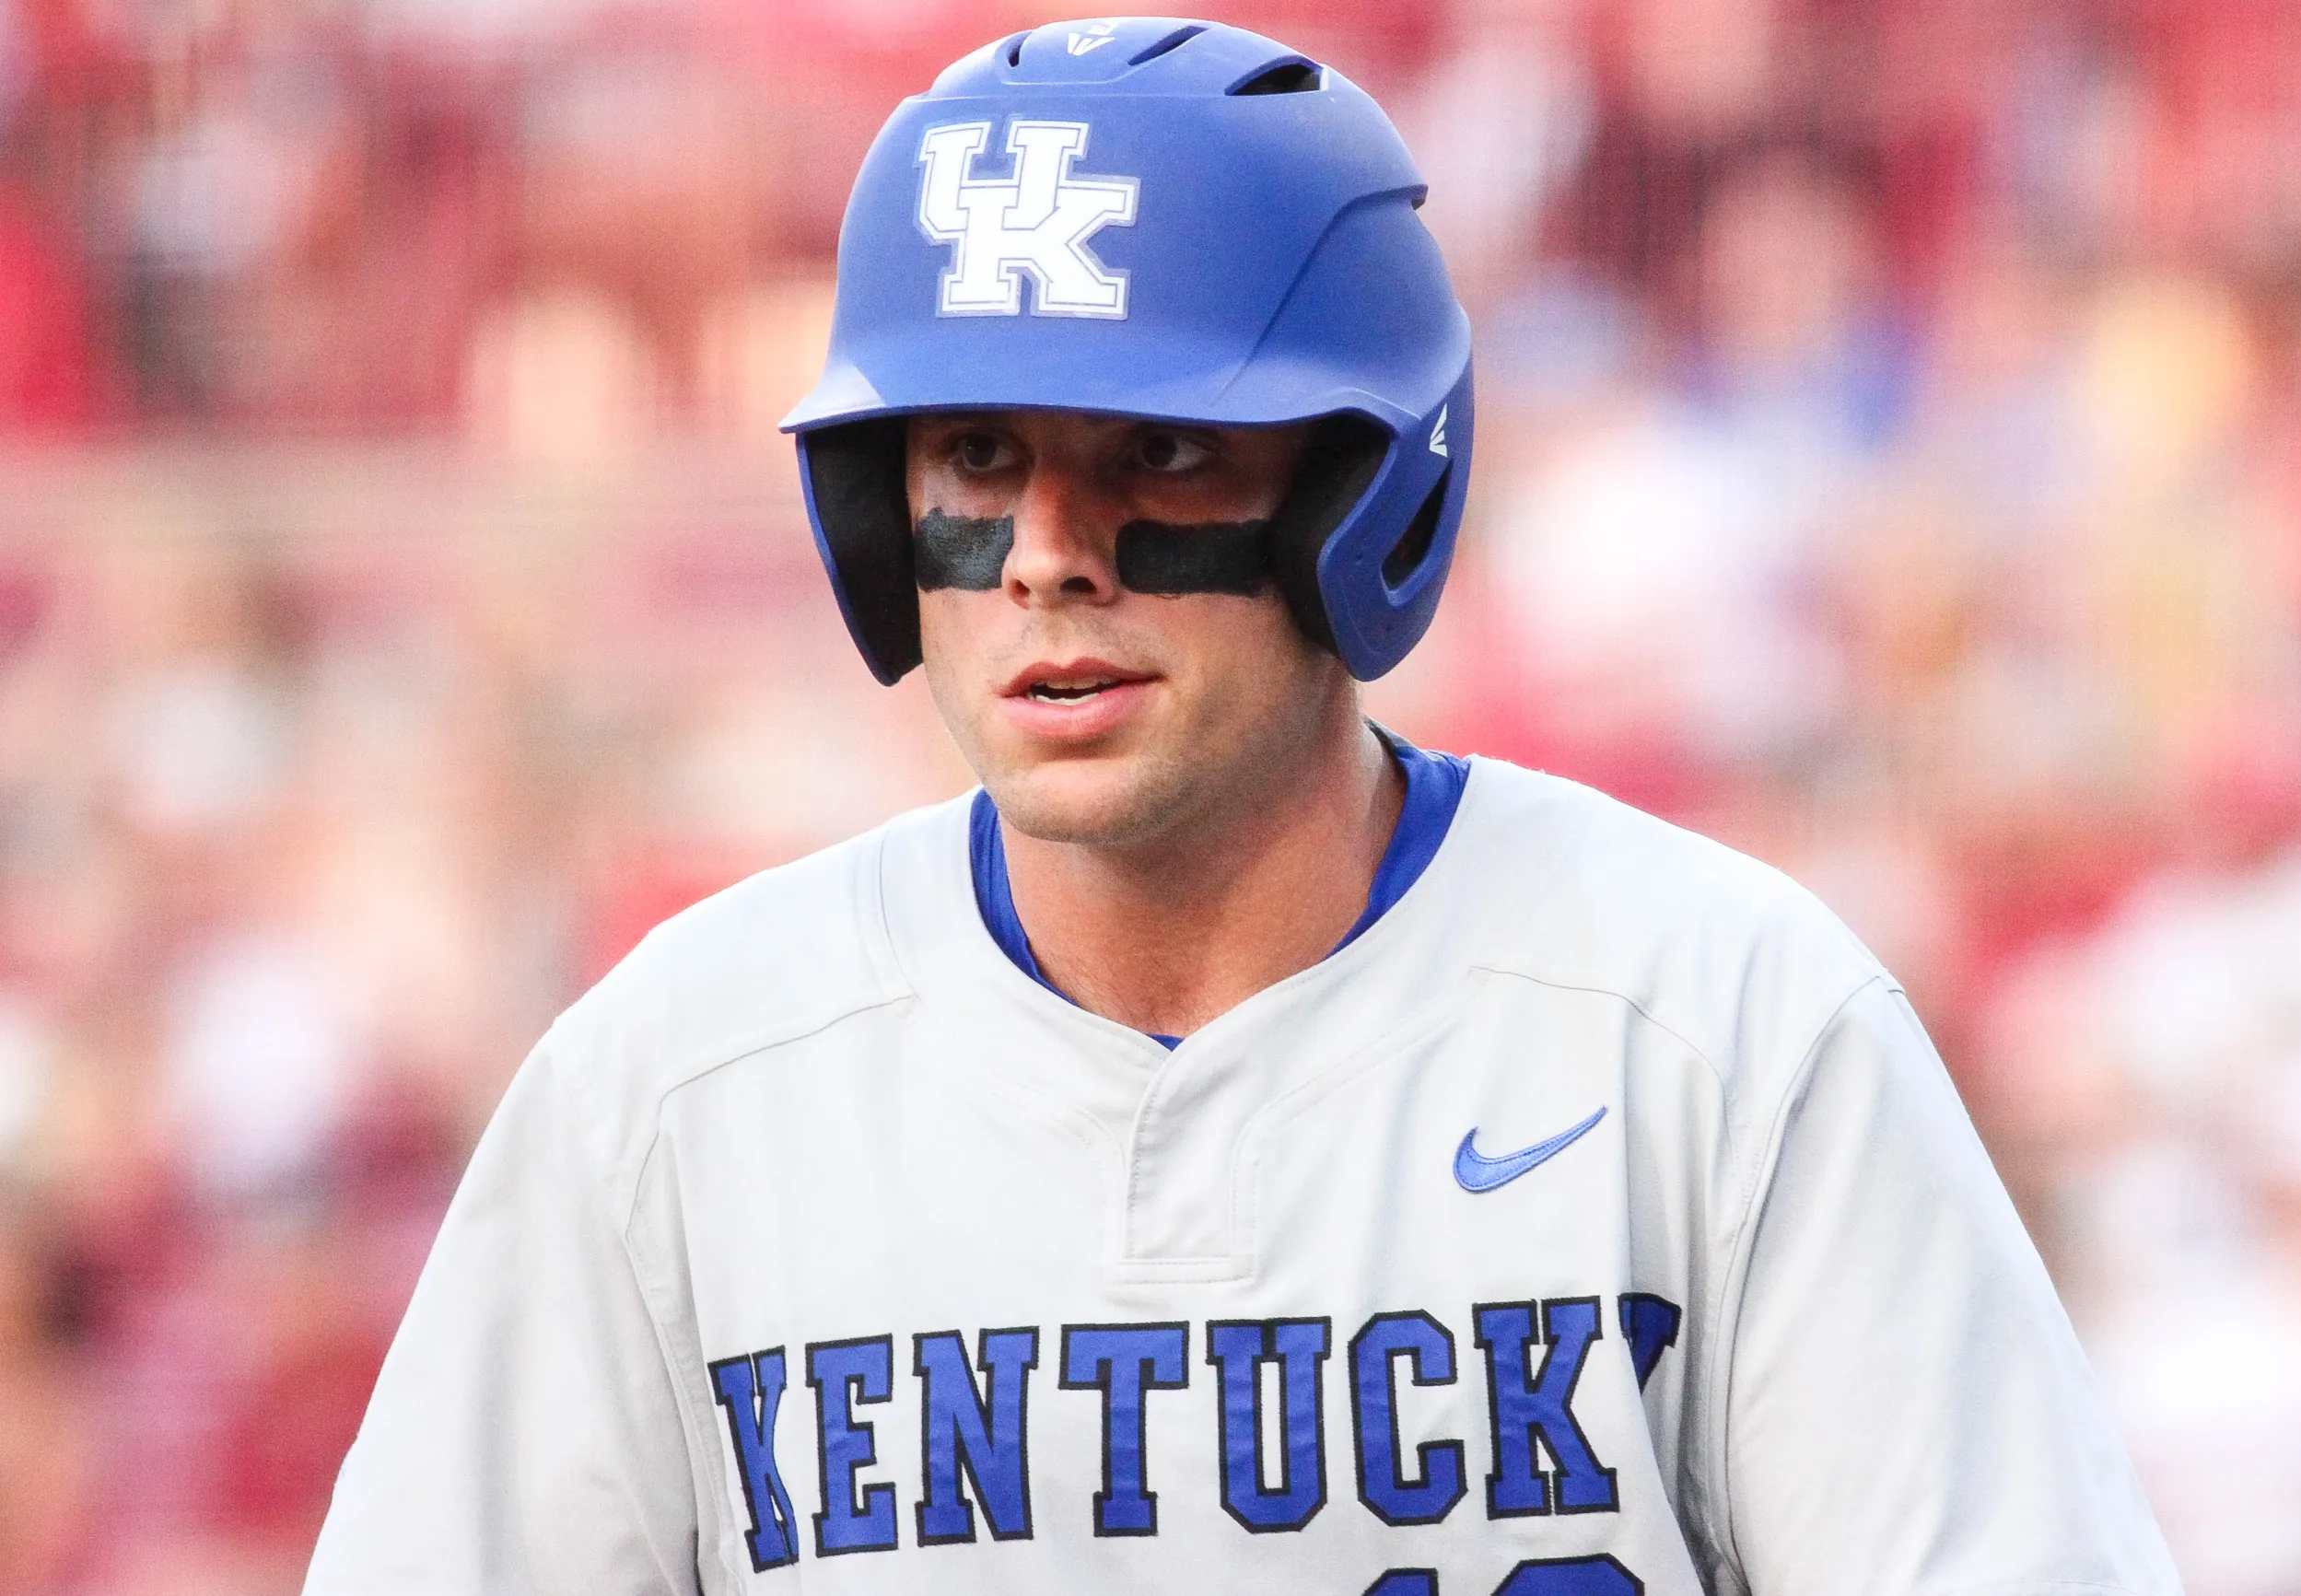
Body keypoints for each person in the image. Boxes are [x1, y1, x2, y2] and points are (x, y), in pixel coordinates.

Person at [304, 18, 2181, 1596]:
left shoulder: (1717, 1025)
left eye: (1159, 451)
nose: (1046, 553)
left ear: (1369, 492)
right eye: (973, 453)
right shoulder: (678, 1083)